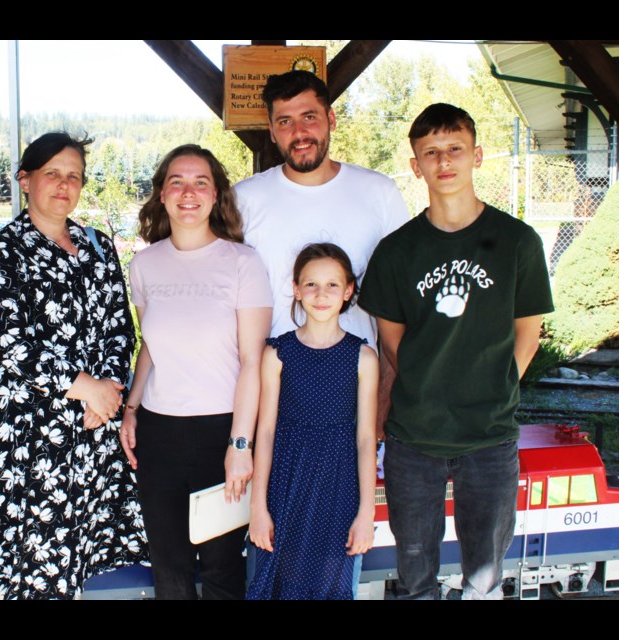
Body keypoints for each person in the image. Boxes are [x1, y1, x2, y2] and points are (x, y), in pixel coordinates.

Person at [358, 103, 554, 599]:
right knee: (414, 576)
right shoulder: (397, 251)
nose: (444, 161)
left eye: (455, 149)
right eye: (431, 153)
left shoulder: (517, 242)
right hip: (414, 437)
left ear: (477, 155)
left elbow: (526, 336)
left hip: (489, 434)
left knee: (484, 579)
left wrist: (489, 389)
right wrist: (429, 388)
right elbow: (392, 342)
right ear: (415, 164)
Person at [0, 132, 146, 599]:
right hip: (31, 434)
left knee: (75, 558)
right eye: (52, 173)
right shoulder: (3, 250)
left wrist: (108, 389)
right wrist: (86, 387)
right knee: (29, 562)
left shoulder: (99, 246)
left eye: (74, 176)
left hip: (91, 427)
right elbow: (12, 344)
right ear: (25, 180)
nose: (64, 185)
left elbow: (119, 329)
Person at [120, 145, 272, 599]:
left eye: (200, 182)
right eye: (177, 182)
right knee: (169, 566)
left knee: (223, 565)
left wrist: (240, 445)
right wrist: (131, 409)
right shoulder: (144, 265)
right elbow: (151, 345)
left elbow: (252, 361)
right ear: (162, 195)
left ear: (216, 195)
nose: (189, 192)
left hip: (220, 432)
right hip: (159, 432)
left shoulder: (243, 262)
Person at [234, 70, 409, 430]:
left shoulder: (378, 194)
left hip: (355, 394)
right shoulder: (244, 199)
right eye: (285, 121)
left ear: (330, 119)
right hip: (271, 397)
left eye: (309, 117)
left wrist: (383, 401)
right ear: (271, 130)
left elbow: (400, 306)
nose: (299, 133)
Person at [247, 243, 377, 600]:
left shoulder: (362, 357)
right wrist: (258, 508)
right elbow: (267, 431)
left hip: (339, 487)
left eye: (332, 285)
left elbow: (366, 439)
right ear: (296, 288)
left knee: (330, 586)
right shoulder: (277, 353)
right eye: (311, 285)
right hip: (285, 486)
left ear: (348, 289)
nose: (321, 295)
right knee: (277, 584)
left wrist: (366, 513)